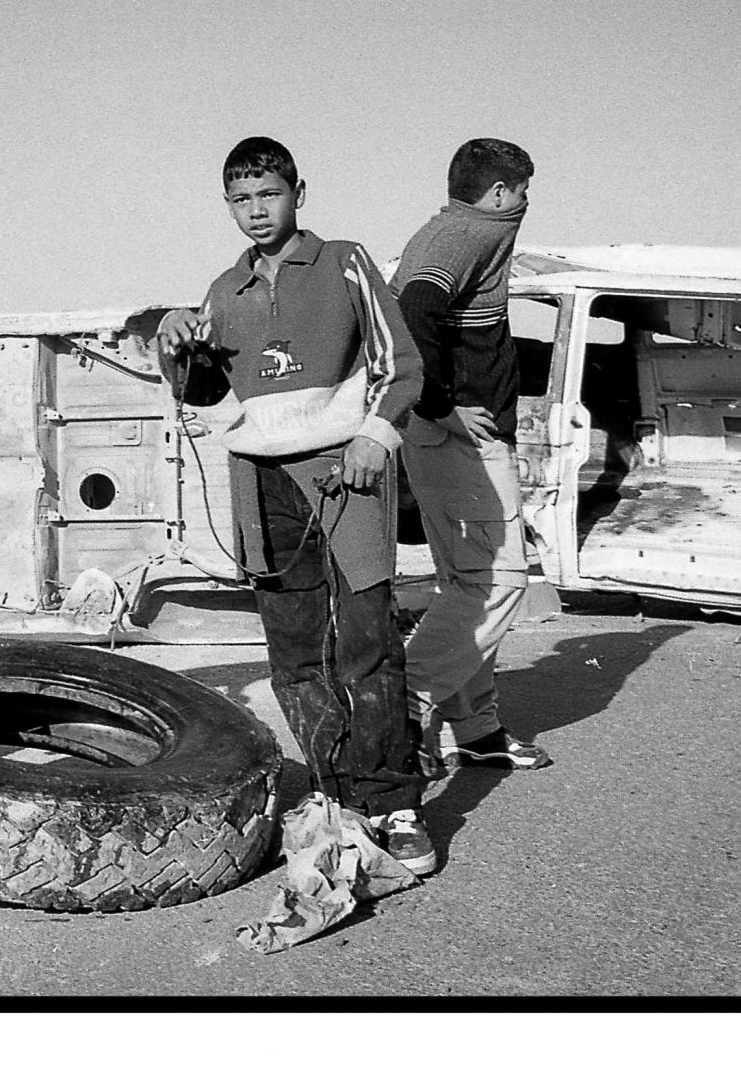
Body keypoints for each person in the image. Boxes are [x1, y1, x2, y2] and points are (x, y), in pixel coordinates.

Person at [156, 136, 437, 872]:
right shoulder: (223, 291)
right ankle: (336, 795)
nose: (256, 211)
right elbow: (209, 401)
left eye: (268, 194)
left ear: (298, 192)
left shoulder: (344, 261)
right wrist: (175, 347)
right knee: (294, 653)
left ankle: (393, 801)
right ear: (228, 206)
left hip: (348, 472)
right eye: (241, 199)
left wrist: (377, 435)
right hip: (261, 483)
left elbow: (400, 363)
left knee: (368, 641)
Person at [391, 136, 555, 776]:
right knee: (501, 581)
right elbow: (414, 311)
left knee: (467, 583)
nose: (524, 202)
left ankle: (478, 730)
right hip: (460, 438)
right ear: (495, 194)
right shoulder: (468, 236)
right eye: (520, 191)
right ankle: (405, 702)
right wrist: (441, 405)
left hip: (450, 436)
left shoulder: (452, 231)